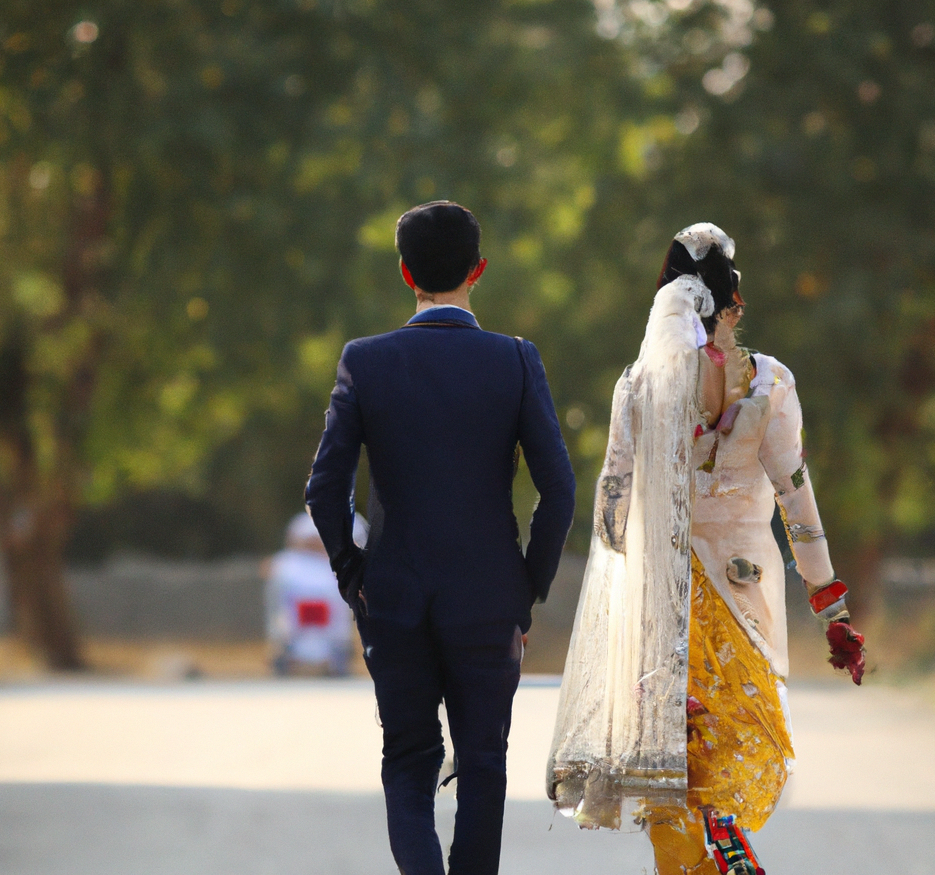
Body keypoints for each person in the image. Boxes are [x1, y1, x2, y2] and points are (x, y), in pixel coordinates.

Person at [548, 223, 864, 875]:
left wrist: (639, 562)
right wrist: (831, 608)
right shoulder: (771, 383)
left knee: (673, 769)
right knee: (739, 747)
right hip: (746, 595)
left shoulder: (640, 384)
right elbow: (796, 499)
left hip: (664, 607)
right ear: (734, 304)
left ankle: (695, 855)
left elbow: (611, 509)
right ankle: (723, 836)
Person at [305, 200, 576, 875]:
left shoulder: (365, 362)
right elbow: (561, 490)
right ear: (478, 270)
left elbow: (323, 487)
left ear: (406, 274)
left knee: (408, 760)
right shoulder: (514, 361)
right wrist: (526, 589)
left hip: (393, 597)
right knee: (483, 763)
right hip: (488, 599)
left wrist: (353, 573)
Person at [264, 511, 367, 676]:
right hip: (304, 563)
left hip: (336, 566)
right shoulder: (303, 520)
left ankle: (339, 648)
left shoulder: (353, 518)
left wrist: (320, 545)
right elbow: (295, 543)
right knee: (281, 570)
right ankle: (284, 647)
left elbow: (357, 545)